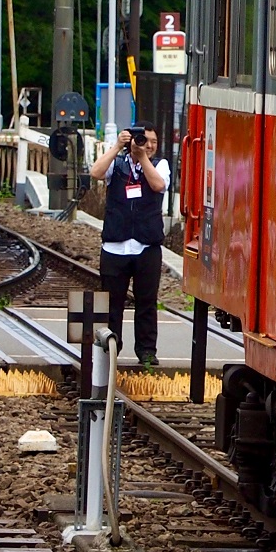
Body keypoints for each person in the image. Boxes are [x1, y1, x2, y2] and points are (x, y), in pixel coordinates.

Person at [90, 122, 169, 369]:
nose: (148, 144)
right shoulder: (118, 163)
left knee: (147, 302)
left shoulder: (160, 165)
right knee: (112, 303)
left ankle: (146, 351)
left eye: (152, 141)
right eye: (143, 139)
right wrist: (117, 146)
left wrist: (142, 157)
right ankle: (110, 348)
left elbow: (158, 185)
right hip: (116, 244)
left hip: (147, 245)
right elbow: (96, 172)